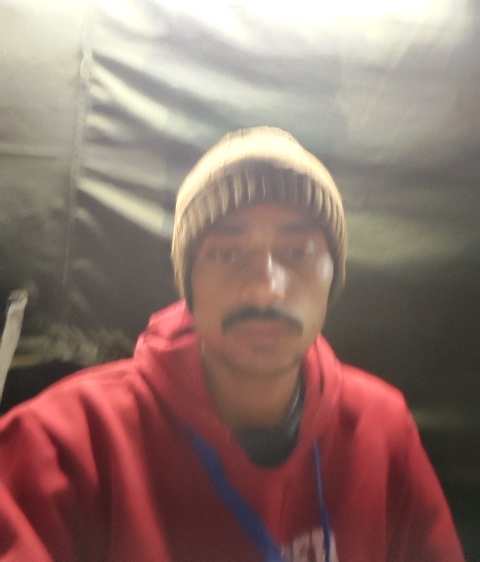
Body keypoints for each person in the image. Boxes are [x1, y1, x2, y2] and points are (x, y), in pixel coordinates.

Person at [0, 127, 464, 562]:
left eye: (298, 252)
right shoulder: (60, 445)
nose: (264, 291)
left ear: (333, 279)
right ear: (189, 285)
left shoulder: (382, 427)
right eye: (227, 254)